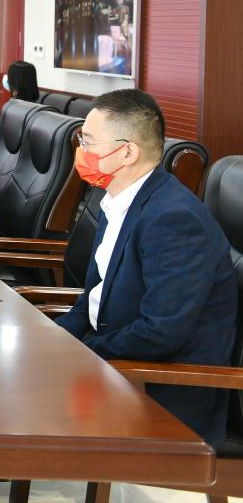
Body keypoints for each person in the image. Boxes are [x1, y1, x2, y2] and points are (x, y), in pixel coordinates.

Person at [56, 89, 236, 447]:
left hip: (162, 392)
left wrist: (85, 352)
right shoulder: (119, 200)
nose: (81, 150)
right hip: (119, 367)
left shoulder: (174, 218)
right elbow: (94, 298)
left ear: (127, 152)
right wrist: (51, 341)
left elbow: (161, 332)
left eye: (88, 141)